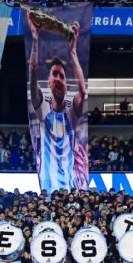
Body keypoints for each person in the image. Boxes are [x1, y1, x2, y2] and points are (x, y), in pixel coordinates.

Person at [27, 11, 88, 192]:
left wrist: (73, 52)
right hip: (47, 185)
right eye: (55, 74)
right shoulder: (42, 106)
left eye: (62, 76)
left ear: (66, 85)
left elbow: (83, 91)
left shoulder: (71, 111)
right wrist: (35, 40)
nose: (59, 79)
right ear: (49, 82)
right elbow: (32, 72)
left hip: (69, 186)